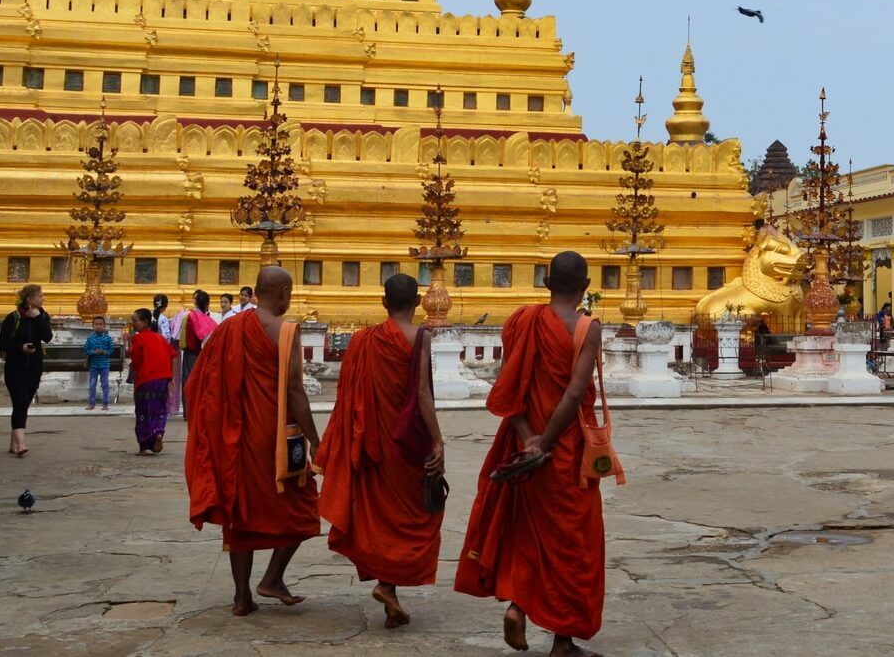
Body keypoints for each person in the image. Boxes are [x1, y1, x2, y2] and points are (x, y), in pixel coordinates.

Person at [455, 251, 607, 657]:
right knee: (573, 541)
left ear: (545, 282)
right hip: (566, 451)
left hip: (524, 449)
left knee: (529, 534)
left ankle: (519, 606)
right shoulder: (587, 327)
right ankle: (562, 640)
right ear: (586, 287)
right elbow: (575, 392)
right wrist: (547, 442)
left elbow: (510, 386)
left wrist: (528, 438)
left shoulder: (524, 321)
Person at [184, 267, 321, 617]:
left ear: (257, 292)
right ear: (285, 293)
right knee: (304, 508)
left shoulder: (229, 327)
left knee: (240, 513)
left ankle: (242, 598)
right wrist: (316, 439)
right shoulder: (287, 330)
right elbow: (294, 392)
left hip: (237, 438)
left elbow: (200, 383)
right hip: (277, 439)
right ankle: (273, 577)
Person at [316, 274, 447, 630]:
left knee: (380, 515)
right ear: (419, 302)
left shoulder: (363, 340)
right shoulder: (420, 337)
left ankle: (388, 589)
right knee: (418, 514)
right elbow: (422, 395)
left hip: (373, 441)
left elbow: (349, 396)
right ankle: (388, 587)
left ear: (383, 302)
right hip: (407, 445)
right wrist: (438, 440)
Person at [0, 285, 53, 457]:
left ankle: (13, 442)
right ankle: (21, 444)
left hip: (34, 367)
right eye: (39, 296)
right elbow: (3, 344)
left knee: (23, 404)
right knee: (21, 401)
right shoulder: (13, 318)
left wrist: (39, 318)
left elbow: (47, 337)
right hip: (15, 367)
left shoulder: (42, 316)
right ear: (29, 300)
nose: (42, 299)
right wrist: (20, 348)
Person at [127, 308, 176, 453]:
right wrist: (170, 377)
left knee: (143, 411)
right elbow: (172, 355)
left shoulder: (138, 338)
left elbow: (136, 360)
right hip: (162, 379)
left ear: (145, 322)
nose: (133, 323)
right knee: (159, 409)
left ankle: (143, 446)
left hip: (145, 379)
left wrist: (135, 373)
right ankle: (158, 433)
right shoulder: (160, 338)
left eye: (135, 321)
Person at [179, 290, 219, 406]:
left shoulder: (190, 315)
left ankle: (189, 409)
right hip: (204, 353)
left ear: (195, 302)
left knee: (189, 380)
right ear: (208, 304)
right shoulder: (208, 319)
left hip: (191, 353)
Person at [84, 316, 115, 412]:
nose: (98, 326)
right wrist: (94, 352)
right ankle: (91, 404)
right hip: (93, 365)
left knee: (105, 385)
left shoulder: (107, 338)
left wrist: (105, 352)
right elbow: (85, 350)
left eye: (100, 324)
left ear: (104, 326)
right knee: (92, 385)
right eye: (96, 324)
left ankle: (105, 404)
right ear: (93, 326)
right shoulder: (90, 338)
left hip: (104, 365)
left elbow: (112, 349)